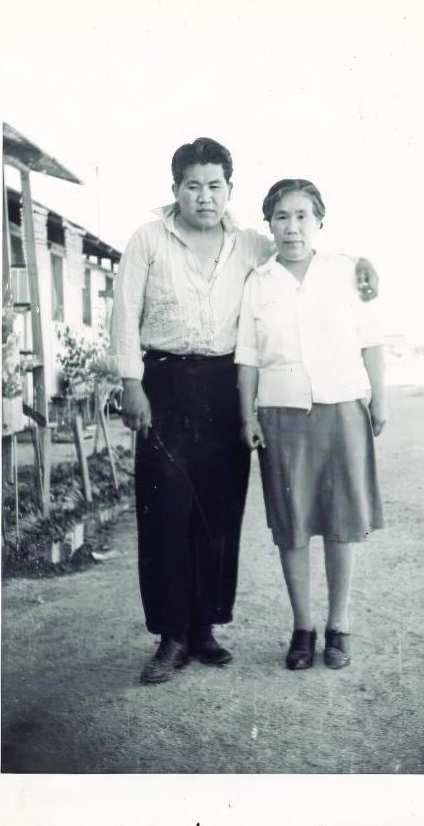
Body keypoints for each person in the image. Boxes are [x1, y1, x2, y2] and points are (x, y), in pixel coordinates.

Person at [110, 139, 380, 685]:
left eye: (215, 186)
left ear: (229, 190)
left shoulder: (251, 244)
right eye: (193, 185)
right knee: (165, 513)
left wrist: (363, 267)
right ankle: (171, 637)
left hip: (221, 386)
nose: (204, 196)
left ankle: (205, 629)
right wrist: (131, 383)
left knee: (218, 515)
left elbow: (302, 250)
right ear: (175, 189)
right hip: (162, 382)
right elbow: (123, 315)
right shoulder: (147, 240)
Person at [236, 178, 386, 671]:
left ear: (319, 221)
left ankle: (339, 625)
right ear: (270, 224)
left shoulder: (347, 272)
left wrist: (378, 400)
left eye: (302, 216)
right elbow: (248, 359)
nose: (292, 227)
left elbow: (371, 341)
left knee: (343, 523)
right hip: (281, 414)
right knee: (292, 526)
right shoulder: (258, 282)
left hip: (342, 408)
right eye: (282, 217)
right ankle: (303, 627)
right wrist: (247, 415)